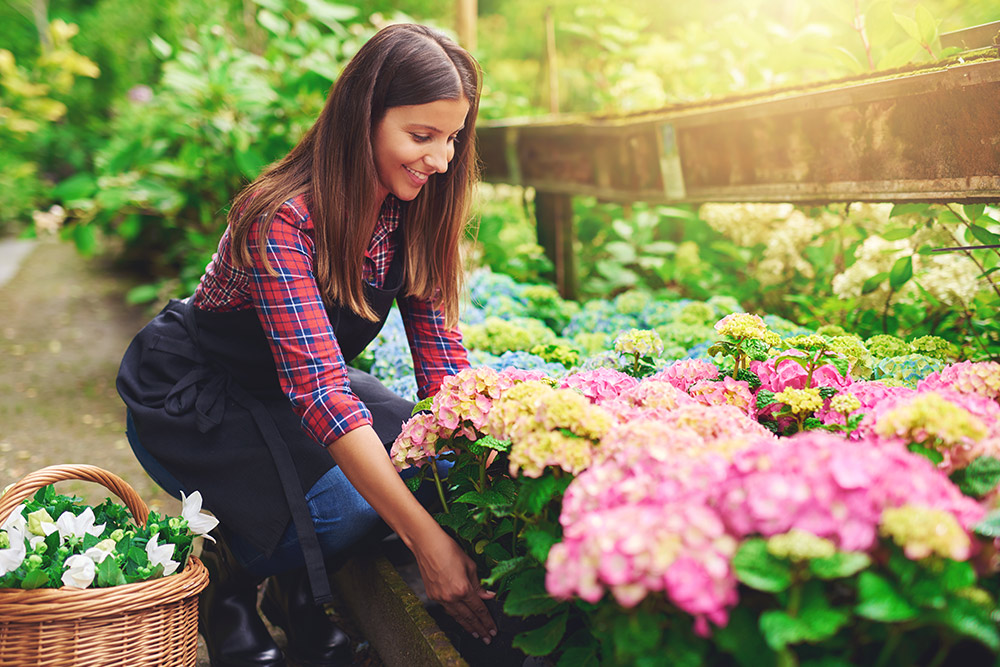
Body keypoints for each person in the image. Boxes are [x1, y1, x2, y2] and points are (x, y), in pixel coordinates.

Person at [116, 23, 496, 667]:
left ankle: (299, 588)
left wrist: (489, 461)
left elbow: (443, 373)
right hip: (201, 393)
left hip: (293, 387)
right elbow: (321, 392)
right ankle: (229, 579)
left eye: (453, 137)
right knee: (346, 512)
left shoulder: (417, 211)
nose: (442, 160)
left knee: (430, 464)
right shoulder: (282, 216)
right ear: (362, 120)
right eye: (421, 136)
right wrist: (428, 544)